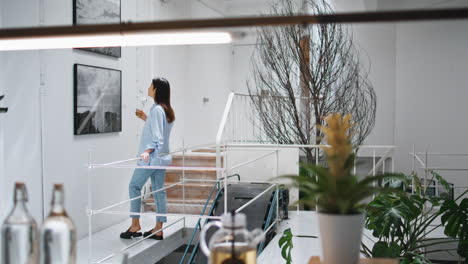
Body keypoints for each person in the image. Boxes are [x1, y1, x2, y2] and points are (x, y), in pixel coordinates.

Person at [120, 78, 175, 240]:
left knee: (134, 186)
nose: (148, 87)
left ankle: (135, 225)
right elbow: (160, 129)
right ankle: (158, 228)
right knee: (159, 191)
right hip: (161, 158)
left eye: (151, 85)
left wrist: (147, 152)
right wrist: (146, 118)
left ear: (156, 89)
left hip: (151, 157)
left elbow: (158, 137)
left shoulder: (157, 110)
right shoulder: (165, 109)